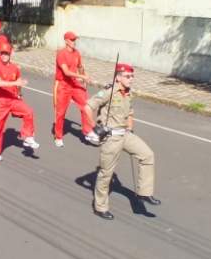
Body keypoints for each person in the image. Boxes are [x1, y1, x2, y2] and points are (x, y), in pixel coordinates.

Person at [87, 63, 159, 220]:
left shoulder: (127, 93)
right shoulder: (108, 92)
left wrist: (130, 127)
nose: (131, 79)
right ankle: (100, 207)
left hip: (125, 134)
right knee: (106, 174)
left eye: (132, 76)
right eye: (128, 76)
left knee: (147, 155)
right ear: (118, 77)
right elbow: (87, 106)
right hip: (111, 137)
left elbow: (130, 112)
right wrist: (94, 127)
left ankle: (144, 193)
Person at [0, 41, 38, 161]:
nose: (4, 55)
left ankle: (27, 136)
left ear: (10, 54)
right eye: (2, 53)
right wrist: (16, 83)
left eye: (6, 53)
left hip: (13, 98)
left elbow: (18, 79)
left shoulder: (15, 67)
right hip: (0, 101)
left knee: (28, 112)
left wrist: (19, 92)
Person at [53, 31, 99, 146]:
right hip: (63, 85)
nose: (74, 42)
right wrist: (82, 76)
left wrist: (84, 79)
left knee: (85, 105)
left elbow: (80, 67)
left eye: (75, 40)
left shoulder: (77, 53)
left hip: (74, 84)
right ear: (66, 41)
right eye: (72, 40)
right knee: (60, 113)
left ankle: (87, 131)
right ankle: (58, 136)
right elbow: (66, 72)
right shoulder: (61, 54)